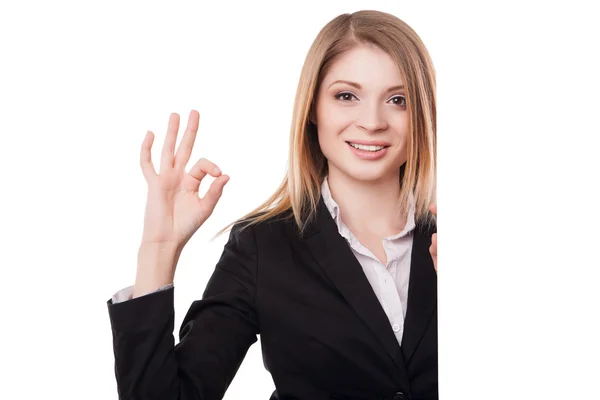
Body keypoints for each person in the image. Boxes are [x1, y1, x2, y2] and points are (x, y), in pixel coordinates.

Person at [107, 9, 437, 400]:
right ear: (313, 109)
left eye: (397, 99)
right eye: (347, 96)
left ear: (422, 112)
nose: (372, 120)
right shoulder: (261, 247)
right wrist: (157, 251)